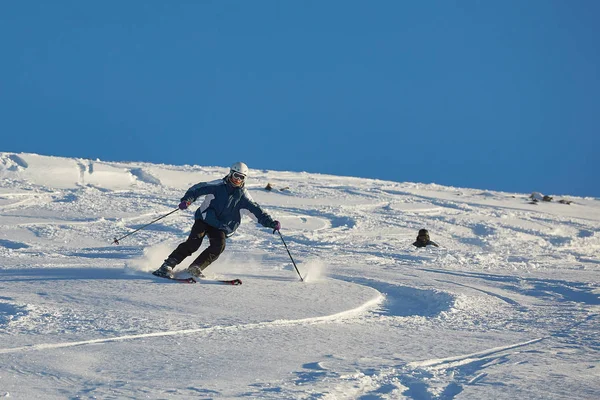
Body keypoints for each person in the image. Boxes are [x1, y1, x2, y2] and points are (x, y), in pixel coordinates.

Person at [152, 162, 281, 279]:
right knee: (194, 243)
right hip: (205, 219)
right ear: (231, 173)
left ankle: (195, 268)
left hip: (221, 226)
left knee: (219, 245)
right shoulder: (218, 186)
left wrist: (271, 223)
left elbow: (258, 212)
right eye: (236, 175)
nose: (238, 179)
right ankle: (167, 265)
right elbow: (197, 189)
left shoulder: (244, 197)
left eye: (241, 177)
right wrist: (187, 200)